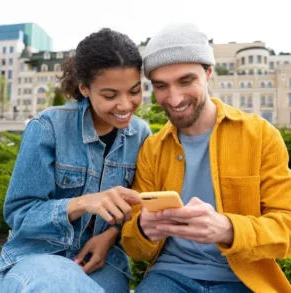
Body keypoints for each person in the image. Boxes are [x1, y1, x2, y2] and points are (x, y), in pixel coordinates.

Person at [122, 23, 291, 293]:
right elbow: (134, 245)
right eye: (161, 86)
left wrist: (228, 229)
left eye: (186, 81)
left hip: (244, 279)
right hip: (168, 277)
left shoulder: (261, 136)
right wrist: (142, 228)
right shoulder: (151, 149)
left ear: (209, 73)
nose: (174, 98)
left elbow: (287, 226)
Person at [0, 28, 151, 293]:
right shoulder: (49, 127)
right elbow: (19, 215)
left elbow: (137, 208)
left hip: (103, 261)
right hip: (38, 255)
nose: (126, 105)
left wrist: (110, 235)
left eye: (134, 91)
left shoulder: (141, 135)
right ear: (84, 88)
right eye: (110, 95)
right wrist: (80, 204)